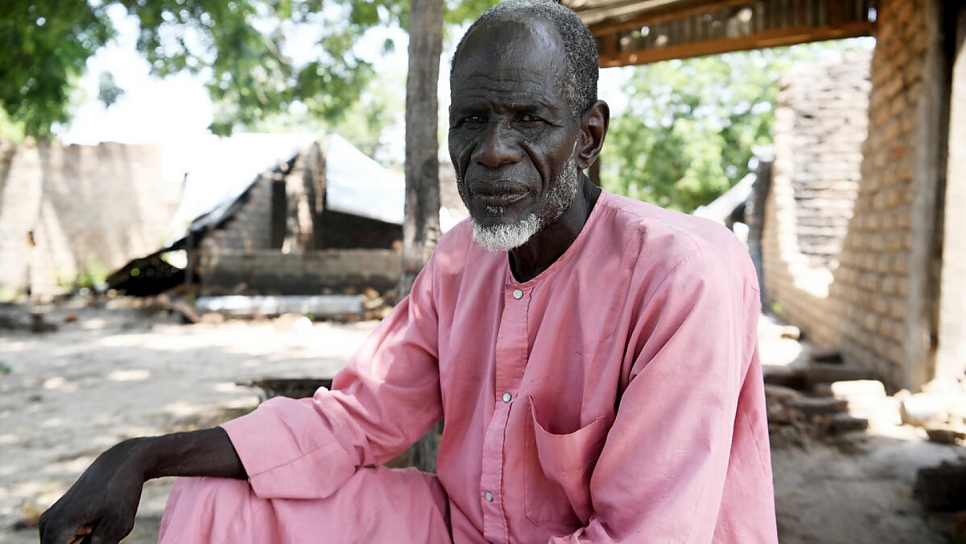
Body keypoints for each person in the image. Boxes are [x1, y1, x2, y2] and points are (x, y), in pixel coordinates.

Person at [39, 1, 779, 542]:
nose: (491, 150)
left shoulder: (683, 276)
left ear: (588, 137)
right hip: (465, 531)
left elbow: (642, 534)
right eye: (471, 120)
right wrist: (142, 456)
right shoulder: (462, 263)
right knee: (219, 504)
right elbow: (352, 420)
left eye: (529, 120)